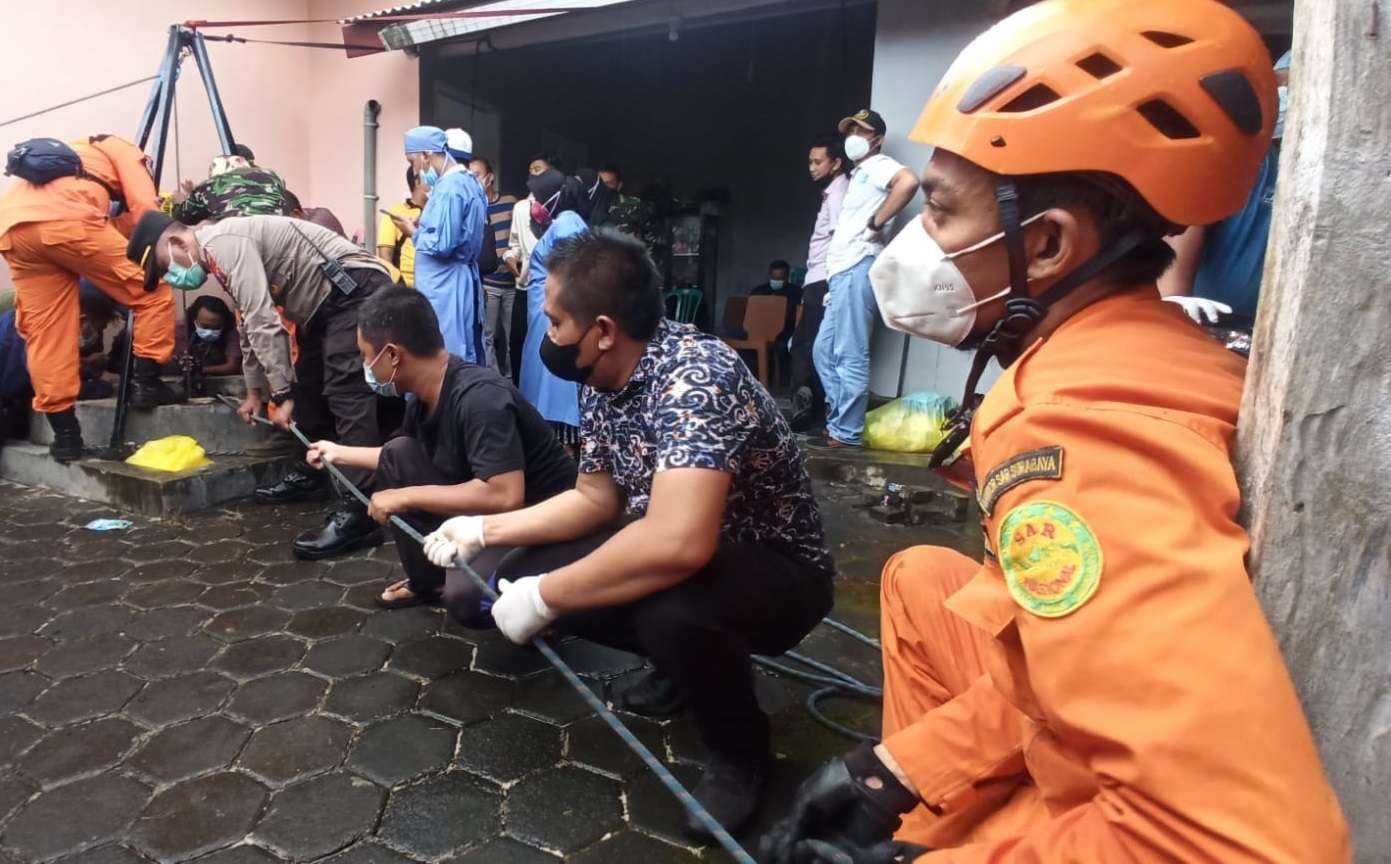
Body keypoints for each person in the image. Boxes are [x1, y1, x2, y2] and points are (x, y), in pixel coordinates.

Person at [760, 2, 1349, 862]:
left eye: (942, 210)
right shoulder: (1133, 348)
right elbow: (1045, 669)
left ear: (1043, 247)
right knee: (924, 579)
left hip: (1119, 812)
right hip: (1095, 722)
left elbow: (1239, 843)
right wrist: (893, 771)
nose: (918, 241)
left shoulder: (1077, 443)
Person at [423, 229, 833, 838]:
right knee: (485, 585)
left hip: (778, 572)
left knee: (668, 605)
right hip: (683, 551)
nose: (550, 336)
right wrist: (485, 528)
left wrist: (546, 596)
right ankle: (683, 664)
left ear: (604, 330)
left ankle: (741, 753)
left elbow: (677, 543)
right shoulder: (603, 379)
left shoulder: (695, 378)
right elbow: (595, 498)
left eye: (557, 322)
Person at [126, 211, 396, 560]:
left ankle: (360, 515)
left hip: (354, 288)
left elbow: (264, 320)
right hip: (326, 305)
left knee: (346, 391)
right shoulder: (217, 253)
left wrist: (280, 394)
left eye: (165, 266)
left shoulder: (223, 243)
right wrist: (256, 393)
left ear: (178, 243)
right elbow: (248, 324)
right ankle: (313, 473)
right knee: (309, 386)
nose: (171, 277)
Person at [304, 287, 575, 614]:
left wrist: (405, 496)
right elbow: (396, 456)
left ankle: (550, 601)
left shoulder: (480, 398)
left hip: (543, 523)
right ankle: (429, 584)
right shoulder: (423, 396)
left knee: (467, 598)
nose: (365, 366)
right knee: (400, 452)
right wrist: (337, 453)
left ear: (392, 355)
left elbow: (504, 496)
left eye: (364, 356)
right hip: (495, 512)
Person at [0, 133, 181, 463]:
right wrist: (164, 245)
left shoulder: (76, 158)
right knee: (152, 290)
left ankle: (66, 436)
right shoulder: (124, 151)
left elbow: (108, 222)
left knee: (47, 333)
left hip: (13, 229)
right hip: (67, 223)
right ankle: (147, 383)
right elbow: (144, 211)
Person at [1159, 49, 1292, 343]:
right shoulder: (1237, 159)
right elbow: (1181, 238)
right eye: (1283, 84)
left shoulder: (1320, 169)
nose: (1285, 92)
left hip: (1283, 330)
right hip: (1213, 326)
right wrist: (1175, 304)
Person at [812, 109, 917, 448]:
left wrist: (875, 223)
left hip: (858, 267)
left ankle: (847, 433)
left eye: (862, 130)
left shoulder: (878, 165)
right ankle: (840, 419)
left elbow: (909, 182)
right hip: (842, 274)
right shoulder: (860, 174)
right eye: (850, 130)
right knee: (823, 352)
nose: (853, 136)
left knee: (849, 353)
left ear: (877, 139)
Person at [394, 126, 487, 363]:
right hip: (456, 280)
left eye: (412, 161)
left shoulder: (450, 188)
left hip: (445, 287)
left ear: (426, 155)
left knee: (444, 355)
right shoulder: (469, 183)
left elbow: (443, 245)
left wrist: (412, 231)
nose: (414, 170)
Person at [515, 169, 589, 445]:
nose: (533, 204)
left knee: (554, 390)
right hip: (544, 318)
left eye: (537, 198)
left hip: (554, 320)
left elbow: (573, 274)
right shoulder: (562, 223)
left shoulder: (568, 223)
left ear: (553, 199)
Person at [790, 136, 849, 431]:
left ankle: (810, 408)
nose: (811, 167)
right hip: (817, 279)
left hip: (824, 279)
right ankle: (809, 403)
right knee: (806, 344)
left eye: (817, 162)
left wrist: (830, 283)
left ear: (836, 164)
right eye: (810, 162)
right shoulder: (831, 191)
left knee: (810, 345)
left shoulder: (839, 191)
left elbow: (840, 236)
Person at [469, 156, 520, 376]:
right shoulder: (472, 207)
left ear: (490, 178)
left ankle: (510, 380)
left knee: (511, 337)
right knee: (487, 336)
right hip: (488, 283)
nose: (473, 180)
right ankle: (493, 381)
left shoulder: (511, 203)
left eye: (477, 175)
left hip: (512, 282)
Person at [172, 149, 291, 225]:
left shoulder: (210, 185)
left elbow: (183, 218)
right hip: (280, 233)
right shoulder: (274, 176)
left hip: (237, 238)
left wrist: (180, 202)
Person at [377, 167, 429, 289]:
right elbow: (385, 261)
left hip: (434, 286)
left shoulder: (437, 213)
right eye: (431, 177)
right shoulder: (395, 213)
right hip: (406, 290)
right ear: (417, 181)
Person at [179, 294, 242, 389]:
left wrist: (200, 370)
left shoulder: (232, 330)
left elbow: (232, 366)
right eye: (205, 326)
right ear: (194, 320)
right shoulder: (180, 329)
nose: (210, 332)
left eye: (216, 327)